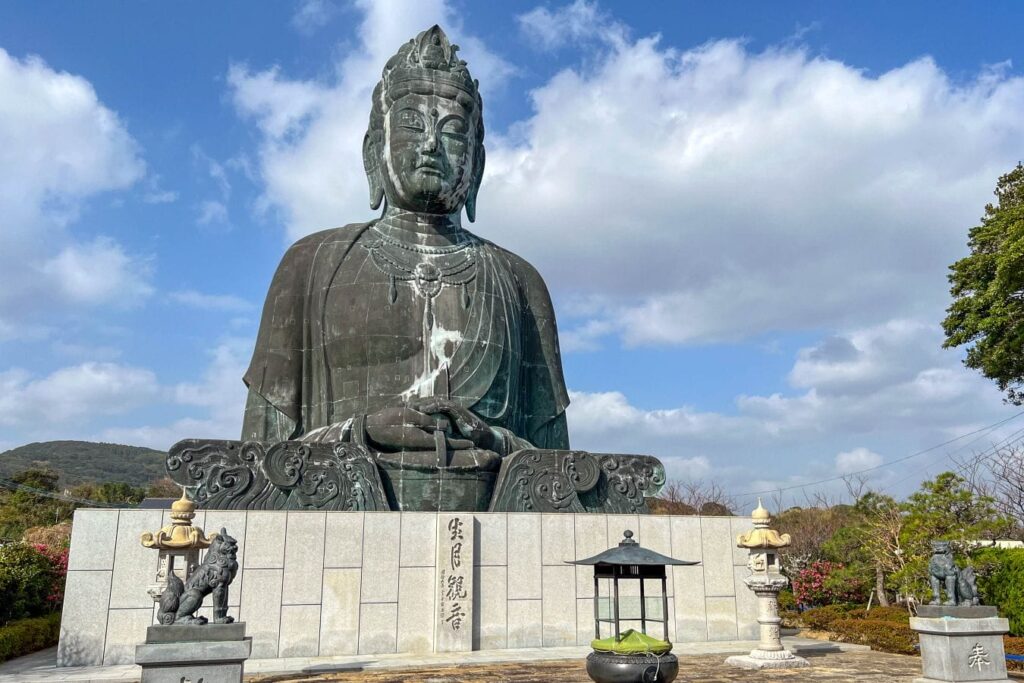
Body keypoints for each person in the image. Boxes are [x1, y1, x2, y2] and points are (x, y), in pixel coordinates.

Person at [241, 26, 570, 469]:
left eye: (452, 132)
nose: (432, 144)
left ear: (478, 163)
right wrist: (361, 433)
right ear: (374, 151)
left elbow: (557, 472)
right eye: (413, 125)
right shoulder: (310, 265)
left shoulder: (519, 282)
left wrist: (487, 437)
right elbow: (259, 463)